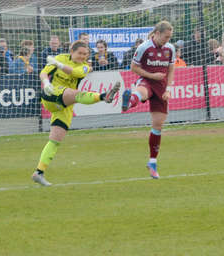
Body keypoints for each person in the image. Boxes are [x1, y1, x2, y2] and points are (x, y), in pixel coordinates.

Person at [31, 41, 122, 186]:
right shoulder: (60, 57)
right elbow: (43, 73)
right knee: (77, 94)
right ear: (71, 51)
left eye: (85, 54)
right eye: (79, 53)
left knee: (56, 139)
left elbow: (76, 73)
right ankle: (104, 96)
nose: (82, 56)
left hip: (65, 103)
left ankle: (39, 172)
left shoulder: (85, 66)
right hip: (51, 94)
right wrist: (46, 83)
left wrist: (59, 65)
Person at [120, 21, 176, 179]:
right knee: (141, 93)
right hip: (147, 81)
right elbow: (133, 67)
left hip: (162, 87)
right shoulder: (144, 47)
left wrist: (168, 89)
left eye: (170, 37)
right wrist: (152, 76)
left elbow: (171, 70)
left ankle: (152, 162)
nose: (167, 39)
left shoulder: (170, 49)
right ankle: (128, 102)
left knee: (158, 126)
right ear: (157, 33)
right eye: (166, 36)